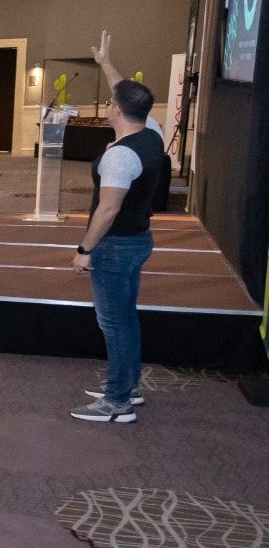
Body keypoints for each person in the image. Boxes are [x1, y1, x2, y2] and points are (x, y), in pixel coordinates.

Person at [71, 32, 168, 423]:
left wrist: (85, 251)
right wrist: (106, 63)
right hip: (138, 240)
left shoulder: (121, 157)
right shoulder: (153, 132)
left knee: (113, 323)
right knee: (126, 318)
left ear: (114, 111)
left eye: (111, 102)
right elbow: (127, 94)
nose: (109, 103)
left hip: (113, 246)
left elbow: (107, 210)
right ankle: (127, 387)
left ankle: (117, 402)